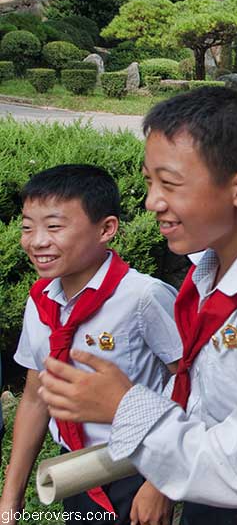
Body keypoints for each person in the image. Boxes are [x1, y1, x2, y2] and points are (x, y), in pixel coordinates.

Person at [37, 87, 237, 524]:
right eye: (149, 182)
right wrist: (161, 477)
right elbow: (202, 400)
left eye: (170, 183)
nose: (152, 202)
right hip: (209, 495)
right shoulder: (212, 277)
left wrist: (124, 406)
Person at [0, 165, 182, 525]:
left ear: (106, 229)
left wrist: (160, 482)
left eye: (54, 227)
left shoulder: (143, 298)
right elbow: (37, 396)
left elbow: (192, 382)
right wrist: (11, 495)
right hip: (79, 470)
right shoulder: (41, 302)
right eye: (26, 226)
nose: (36, 241)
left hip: (139, 469)